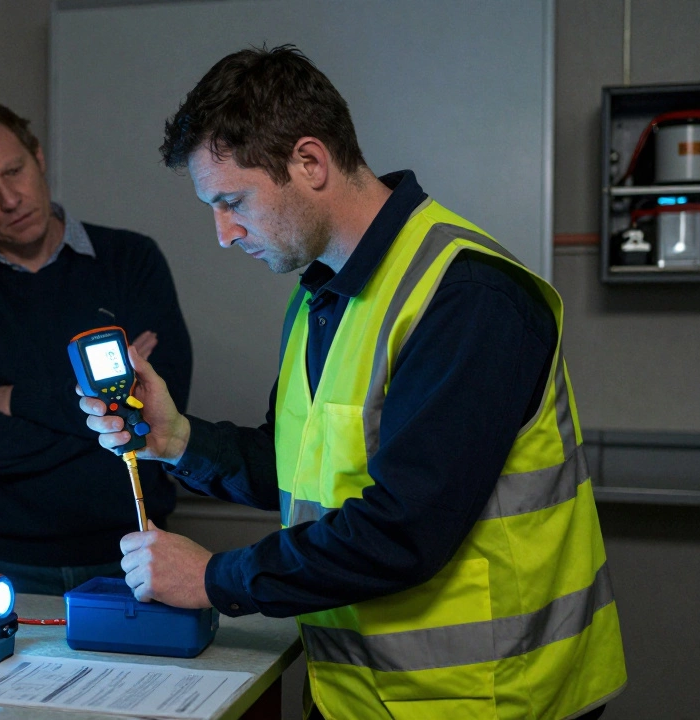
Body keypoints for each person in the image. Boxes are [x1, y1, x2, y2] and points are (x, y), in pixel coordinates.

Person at [79, 46, 626, 719]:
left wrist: (214, 578)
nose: (222, 234)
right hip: (358, 696)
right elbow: (307, 472)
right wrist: (179, 439)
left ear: (310, 162)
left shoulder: (469, 297)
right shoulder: (320, 296)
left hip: (490, 700)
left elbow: (404, 528)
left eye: (231, 201)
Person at [0, 99, 193, 595]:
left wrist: (11, 399)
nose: (10, 199)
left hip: (133, 552)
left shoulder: (131, 261)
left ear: (38, 157)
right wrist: (104, 417)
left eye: (14, 171)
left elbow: (155, 410)